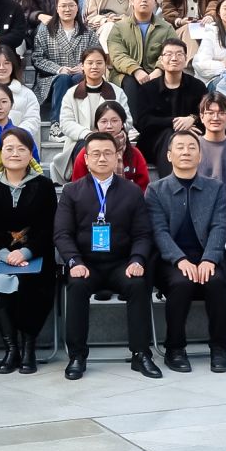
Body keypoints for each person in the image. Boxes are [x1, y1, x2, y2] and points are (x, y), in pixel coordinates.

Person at [55, 130, 159, 379]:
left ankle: (141, 354)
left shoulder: (132, 191)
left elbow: (143, 234)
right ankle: (77, 356)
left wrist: (137, 259)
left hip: (121, 263)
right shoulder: (71, 191)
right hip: (86, 263)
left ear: (117, 157)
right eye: (96, 154)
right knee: (77, 285)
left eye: (107, 153)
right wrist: (74, 261)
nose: (102, 158)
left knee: (138, 284)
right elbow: (62, 234)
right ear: (86, 158)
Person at [148, 131, 226, 372]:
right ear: (169, 155)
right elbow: (159, 232)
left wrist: (209, 259)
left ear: (200, 155)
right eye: (180, 147)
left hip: (208, 255)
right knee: (181, 283)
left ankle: (219, 348)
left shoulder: (215, 188)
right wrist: (180, 260)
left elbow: (220, 226)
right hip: (171, 260)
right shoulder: (155, 190)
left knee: (216, 282)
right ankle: (175, 348)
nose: (185, 152)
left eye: (191, 147)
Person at [0, 129, 58, 374]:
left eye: (22, 149)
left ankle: (28, 347)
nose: (15, 153)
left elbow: (48, 227)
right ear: (0, 153)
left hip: (36, 256)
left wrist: (26, 252)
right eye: (9, 148)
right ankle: (12, 349)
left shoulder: (44, 185)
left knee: (32, 284)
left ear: (31, 154)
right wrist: (4, 254)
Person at [130, 38, 205, 168]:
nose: (174, 58)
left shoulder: (197, 86)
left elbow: (206, 113)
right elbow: (142, 121)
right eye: (169, 54)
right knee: (170, 136)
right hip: (155, 141)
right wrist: (174, 123)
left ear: (186, 59)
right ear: (161, 59)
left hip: (190, 137)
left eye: (179, 54)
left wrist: (193, 118)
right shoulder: (148, 88)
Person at [103, 0, 177, 86]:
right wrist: (136, 70)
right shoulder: (119, 27)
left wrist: (159, 70)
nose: (144, 0)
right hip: (125, 74)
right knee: (132, 86)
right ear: (131, 1)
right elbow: (117, 55)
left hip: (157, 73)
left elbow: (173, 51)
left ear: (155, 2)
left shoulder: (166, 28)